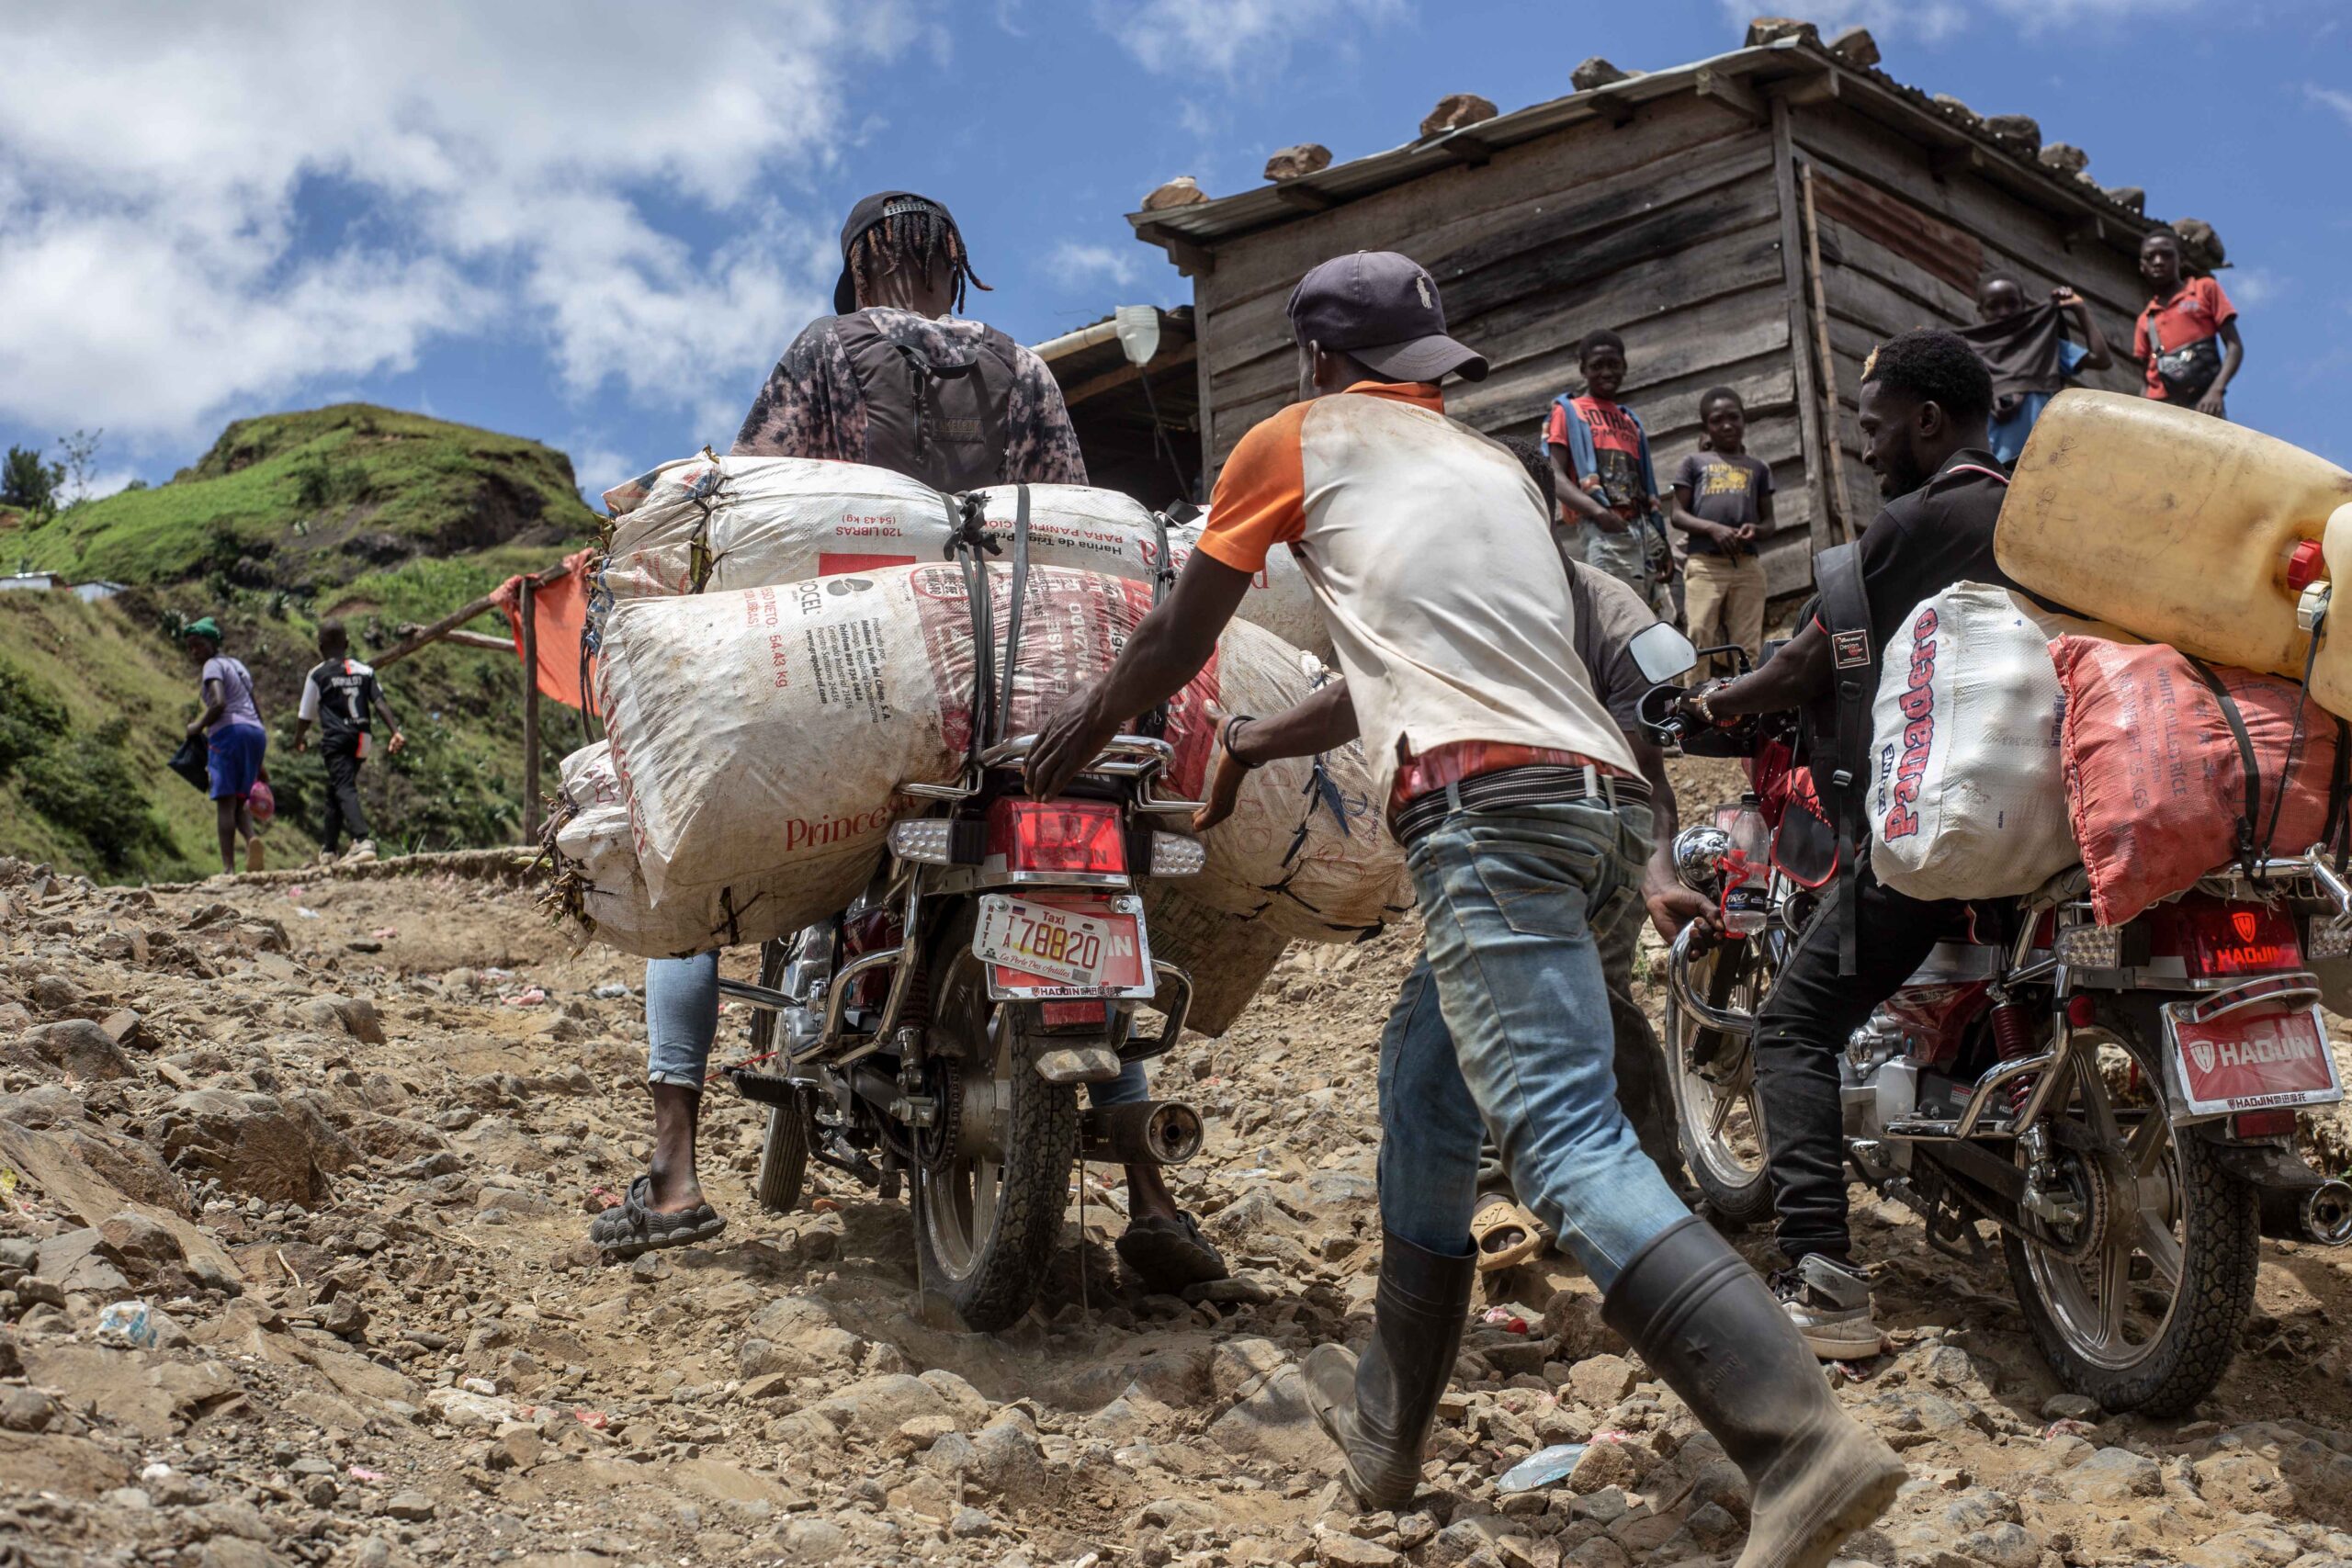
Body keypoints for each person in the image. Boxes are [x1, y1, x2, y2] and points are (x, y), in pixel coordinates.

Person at [1024, 251, 1903, 1564]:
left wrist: (1078, 730)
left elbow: (1174, 638)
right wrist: (1263, 745)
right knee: (1429, 1086)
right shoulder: (1491, 471)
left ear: (1318, 361)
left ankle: (1798, 1442)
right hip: (1601, 804)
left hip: (1484, 813)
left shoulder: (1291, 440)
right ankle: (1386, 1425)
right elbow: (1429, 659)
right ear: (1426, 368)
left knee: (1556, 1139)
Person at [594, 191, 1226, 1295]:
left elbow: (762, 500)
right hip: (1028, 689)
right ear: (955, 267)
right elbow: (1065, 513)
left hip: (874, 682)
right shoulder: (1022, 368)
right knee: (1103, 891)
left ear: (858, 269)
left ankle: (672, 1175)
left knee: (689, 861)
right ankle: (1148, 1193)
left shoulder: (826, 350)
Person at [1677, 330, 2016, 1359]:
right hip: (2058, 827)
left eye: (1873, 429)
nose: (1865, 450)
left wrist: (1709, 703)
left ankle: (1822, 1284)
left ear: (1926, 420)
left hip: (1951, 828)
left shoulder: (1924, 519)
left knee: (1791, 1027)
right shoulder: (2040, 514)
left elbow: (1803, 664)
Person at [1469, 436, 1709, 1271]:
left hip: (1589, 831)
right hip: (1480, 827)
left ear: (1551, 512)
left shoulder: (1609, 609)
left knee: (1593, 1000)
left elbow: (1646, 767)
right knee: (1483, 1004)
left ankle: (1652, 1186)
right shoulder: (1456, 600)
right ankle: (1491, 1192)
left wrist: (1657, 875)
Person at [1546, 330, 1669, 612]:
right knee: (1616, 616)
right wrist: (1600, 513)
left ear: (1624, 367)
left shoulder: (1629, 420)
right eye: (1597, 365)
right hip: (1605, 532)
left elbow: (1643, 488)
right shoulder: (1569, 411)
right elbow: (1555, 475)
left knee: (1654, 620)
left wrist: (1661, 543)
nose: (1606, 372)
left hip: (1642, 532)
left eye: (1613, 364)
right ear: (1583, 370)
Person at [1669, 388, 1774, 670]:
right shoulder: (1694, 463)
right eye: (1717, 420)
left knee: (1747, 644)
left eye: (1733, 417)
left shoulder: (1758, 468)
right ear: (1706, 426)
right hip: (1705, 566)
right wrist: (1714, 529)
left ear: (1744, 420)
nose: (1727, 425)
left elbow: (1770, 523)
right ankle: (1695, 706)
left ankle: (1748, 706)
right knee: (1699, 635)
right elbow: (1677, 515)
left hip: (1747, 566)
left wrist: (1756, 529)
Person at [1962, 273, 2112, 464]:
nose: (2004, 312)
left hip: (2039, 462)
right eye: (1993, 306)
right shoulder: (1970, 353)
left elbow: (2101, 360)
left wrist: (2079, 309)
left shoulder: (2043, 344)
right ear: (1980, 310)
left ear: (2024, 304)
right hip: (1990, 465)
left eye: (2011, 303)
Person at [292, 619, 405, 863]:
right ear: (347, 643)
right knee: (336, 788)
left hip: (336, 739)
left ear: (320, 646)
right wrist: (395, 731)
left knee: (344, 787)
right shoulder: (365, 671)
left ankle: (362, 841)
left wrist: (299, 738)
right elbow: (379, 702)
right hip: (362, 739)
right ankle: (329, 850)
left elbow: (305, 715)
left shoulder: (318, 674)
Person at [180, 618, 268, 876]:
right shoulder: (238, 666)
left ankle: (228, 868)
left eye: (198, 645)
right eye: (191, 647)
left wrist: (196, 727)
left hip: (228, 734)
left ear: (212, 643)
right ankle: (252, 840)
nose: (194, 651)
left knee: (225, 802)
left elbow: (218, 703)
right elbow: (254, 706)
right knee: (240, 800)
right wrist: (259, 760)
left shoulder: (212, 666)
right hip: (255, 733)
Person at [2132, 228, 2240, 418]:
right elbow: (2146, 379)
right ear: (2142, 266)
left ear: (2181, 260)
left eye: (2166, 255)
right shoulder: (2145, 319)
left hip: (2202, 403)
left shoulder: (2204, 290)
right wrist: (2142, 414)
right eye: (2150, 257)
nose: (2158, 261)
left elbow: (2234, 346)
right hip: (2161, 410)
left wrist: (2216, 390)